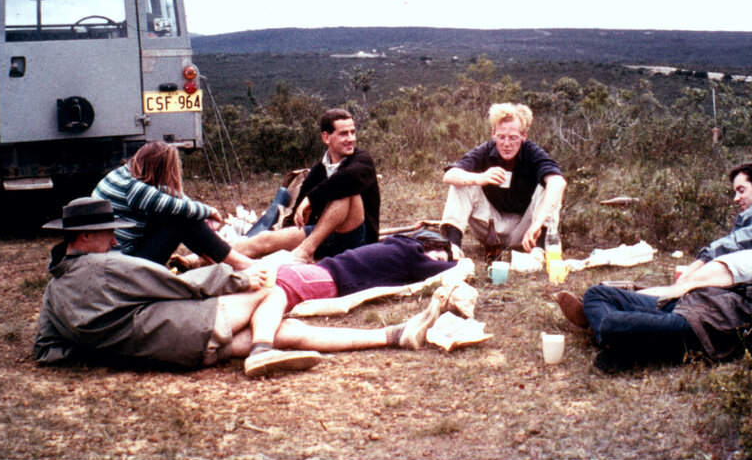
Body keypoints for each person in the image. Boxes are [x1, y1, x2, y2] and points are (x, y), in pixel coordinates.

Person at [34, 199, 459, 378]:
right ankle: (261, 352)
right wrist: (238, 277)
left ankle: (392, 336)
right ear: (84, 238)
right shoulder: (109, 266)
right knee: (270, 294)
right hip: (183, 331)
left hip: (171, 352)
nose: (113, 240)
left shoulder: (54, 292)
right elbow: (177, 286)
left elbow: (47, 351)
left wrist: (103, 347)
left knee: (275, 327)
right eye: (107, 233)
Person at [555, 178, 752, 371]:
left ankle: (618, 340)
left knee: (611, 323)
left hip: (717, 328)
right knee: (598, 293)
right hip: (708, 303)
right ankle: (627, 345)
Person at [638, 157, 752, 301]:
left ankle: (629, 301)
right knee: (689, 288)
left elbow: (745, 238)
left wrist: (702, 260)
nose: (736, 198)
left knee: (689, 283)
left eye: (741, 190)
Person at [233, 109, 381, 262]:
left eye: (352, 132)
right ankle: (212, 257)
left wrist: (311, 199)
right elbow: (298, 212)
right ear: (326, 137)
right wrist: (285, 237)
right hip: (324, 237)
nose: (351, 139)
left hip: (358, 242)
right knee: (264, 239)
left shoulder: (363, 161)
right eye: (344, 134)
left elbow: (347, 179)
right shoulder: (318, 171)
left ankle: (306, 250)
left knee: (345, 191)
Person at [91, 141, 256, 270]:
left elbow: (172, 195)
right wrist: (209, 211)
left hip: (117, 257)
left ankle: (223, 262)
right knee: (181, 218)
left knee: (180, 215)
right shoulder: (134, 188)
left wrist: (199, 212)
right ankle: (241, 264)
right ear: (159, 169)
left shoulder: (125, 174)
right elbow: (180, 207)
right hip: (124, 266)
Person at [439, 103, 567, 258]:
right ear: (493, 133)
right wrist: (481, 177)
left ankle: (539, 250)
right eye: (501, 137)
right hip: (490, 229)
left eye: (513, 138)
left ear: (523, 135)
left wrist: (536, 225)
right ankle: (451, 248)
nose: (507, 144)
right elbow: (449, 175)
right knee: (462, 183)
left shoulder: (532, 153)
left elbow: (558, 182)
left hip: (526, 229)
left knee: (550, 187)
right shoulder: (485, 151)